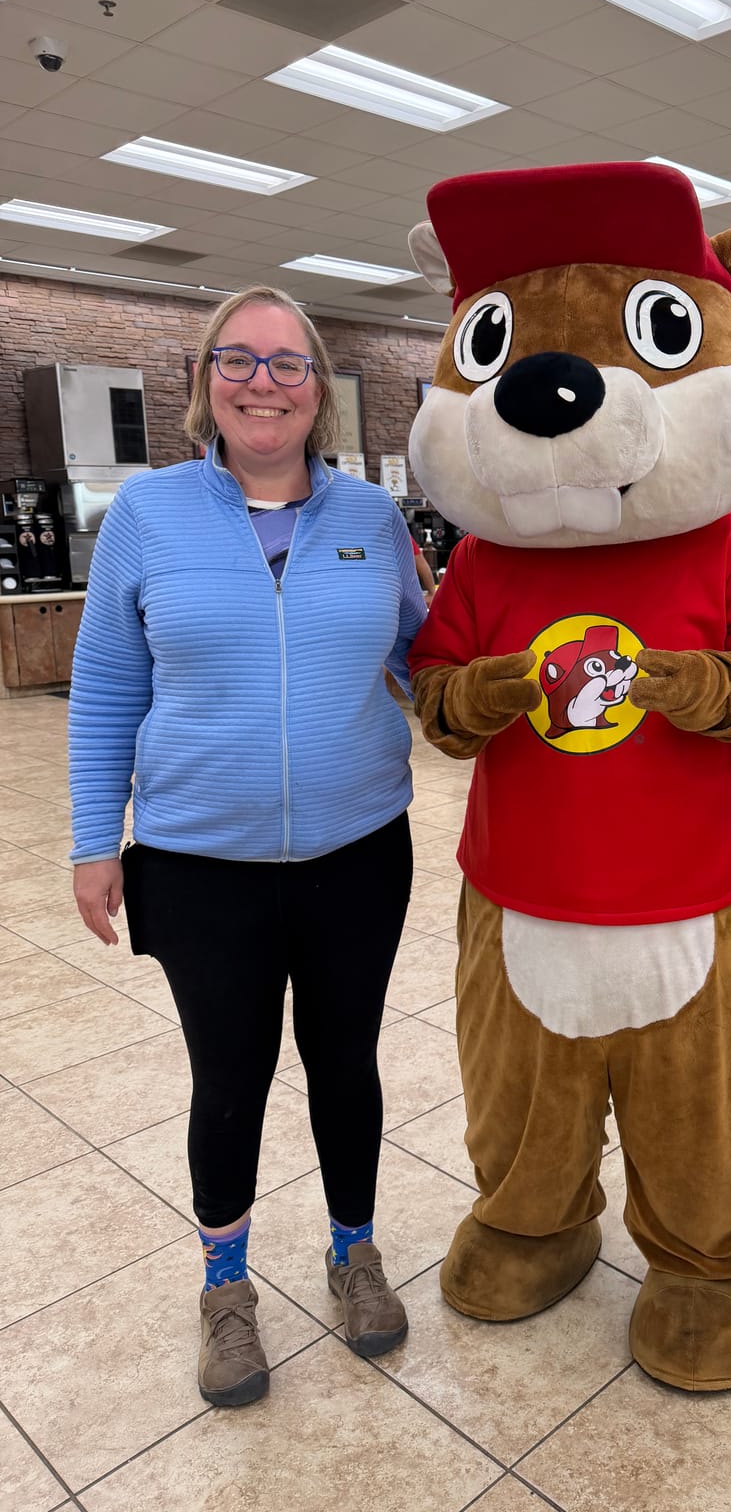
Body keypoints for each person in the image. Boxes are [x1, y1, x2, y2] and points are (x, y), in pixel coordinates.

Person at [69, 286, 429, 1408]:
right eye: (239, 360)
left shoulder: (373, 522)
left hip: (358, 854)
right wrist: (95, 839)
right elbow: (105, 685)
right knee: (230, 1077)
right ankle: (226, 1288)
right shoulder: (149, 515)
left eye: (287, 363)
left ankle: (353, 1252)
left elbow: (435, 658)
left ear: (319, 390)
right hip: (196, 862)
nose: (262, 381)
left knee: (346, 1063)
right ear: (204, 384)